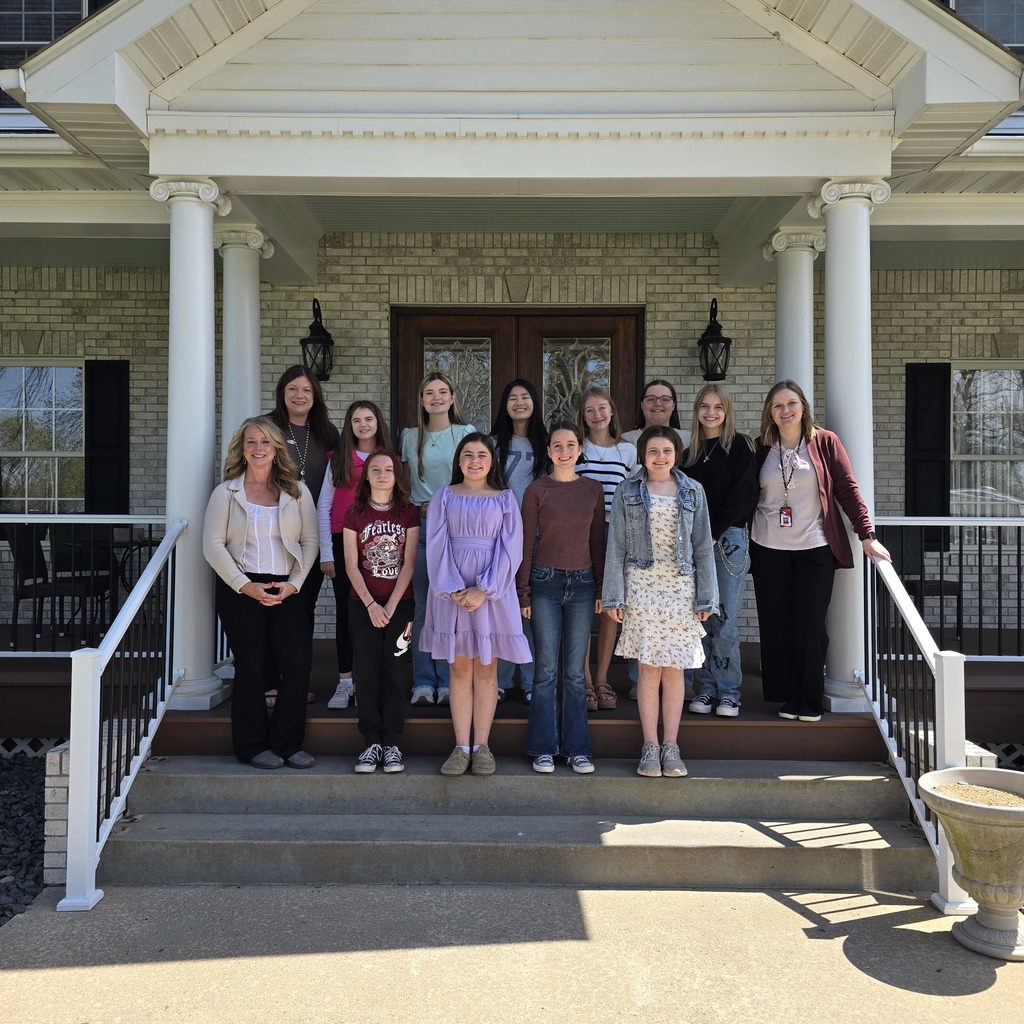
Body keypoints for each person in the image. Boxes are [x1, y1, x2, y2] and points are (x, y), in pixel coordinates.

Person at [749, 380, 891, 723]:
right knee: (777, 624)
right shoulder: (760, 448)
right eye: (778, 405)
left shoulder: (824, 442)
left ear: (803, 407)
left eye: (792, 403)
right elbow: (744, 493)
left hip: (815, 546)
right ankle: (787, 695)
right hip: (768, 547)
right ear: (770, 411)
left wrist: (867, 534)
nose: (785, 410)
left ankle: (809, 698)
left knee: (811, 624)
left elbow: (846, 488)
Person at [203, 416, 318, 770]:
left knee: (296, 667)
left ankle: (287, 743)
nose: (258, 448)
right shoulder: (226, 493)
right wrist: (244, 585)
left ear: (276, 448)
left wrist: (294, 584)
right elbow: (213, 546)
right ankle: (252, 747)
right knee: (251, 668)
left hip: (287, 586)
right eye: (251, 442)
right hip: (242, 588)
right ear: (242, 448)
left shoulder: (297, 490)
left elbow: (310, 541)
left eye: (265, 442)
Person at [603, 426, 718, 779]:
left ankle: (672, 746)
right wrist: (614, 594)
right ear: (643, 454)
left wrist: (706, 596)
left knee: (675, 672)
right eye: (653, 450)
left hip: (681, 589)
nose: (660, 457)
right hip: (642, 587)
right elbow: (616, 547)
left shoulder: (692, 491)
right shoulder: (628, 491)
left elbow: (702, 547)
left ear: (676, 454)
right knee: (649, 670)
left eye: (666, 450)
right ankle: (650, 746)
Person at [421, 433, 531, 776]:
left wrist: (484, 590)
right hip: (450, 591)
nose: (474, 461)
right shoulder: (444, 496)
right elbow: (436, 543)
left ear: (491, 462)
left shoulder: (505, 499)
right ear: (458, 461)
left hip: (492, 593)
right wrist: (455, 587)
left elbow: (512, 548)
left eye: (482, 455)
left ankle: (482, 746)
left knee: (486, 669)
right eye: (467, 454)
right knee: (458, 668)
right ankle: (460, 746)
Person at [518, 421, 605, 775]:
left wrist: (600, 587)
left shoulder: (593, 489)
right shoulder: (536, 490)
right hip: (545, 583)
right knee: (545, 671)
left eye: (571, 444)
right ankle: (542, 748)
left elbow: (597, 541)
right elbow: (525, 544)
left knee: (573, 674)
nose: (564, 451)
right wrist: (523, 590)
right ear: (549, 450)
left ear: (580, 449)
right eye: (557, 445)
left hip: (583, 585)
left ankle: (576, 750)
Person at [400, 371, 477, 707]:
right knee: (421, 606)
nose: (436, 398)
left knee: (451, 605)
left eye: (442, 392)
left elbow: (474, 480)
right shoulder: (409, 436)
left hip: (456, 528)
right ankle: (422, 681)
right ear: (421, 400)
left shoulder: (466, 433)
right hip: (420, 526)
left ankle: (448, 680)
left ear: (453, 397)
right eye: (429, 392)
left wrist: (446, 501)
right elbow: (404, 486)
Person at [682, 385, 758, 718]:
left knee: (723, 618)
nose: (710, 412)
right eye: (704, 406)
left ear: (726, 411)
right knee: (700, 616)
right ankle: (706, 688)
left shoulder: (740, 446)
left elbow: (744, 495)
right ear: (696, 410)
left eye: (717, 407)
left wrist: (712, 534)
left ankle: (728, 691)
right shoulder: (689, 453)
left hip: (728, 540)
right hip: (696, 542)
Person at [266, 365, 340, 707]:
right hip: (271, 532)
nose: (299, 395)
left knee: (302, 609)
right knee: (273, 607)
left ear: (316, 396)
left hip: (313, 533)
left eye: (307, 390)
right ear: (282, 392)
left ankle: (296, 682)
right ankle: (270, 681)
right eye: (293, 389)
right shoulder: (267, 428)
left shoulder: (328, 434)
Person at [343, 451, 419, 774]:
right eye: (376, 469)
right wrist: (372, 605)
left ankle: (392, 744)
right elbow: (351, 565)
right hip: (362, 607)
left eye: (389, 469)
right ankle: (371, 742)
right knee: (368, 673)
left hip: (400, 606)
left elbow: (410, 564)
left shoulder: (410, 513)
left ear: (397, 475)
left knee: (394, 673)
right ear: (367, 475)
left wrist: (389, 606)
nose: (383, 474)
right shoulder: (354, 514)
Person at [318, 400, 392, 710]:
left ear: (378, 423)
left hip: (381, 544)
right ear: (349, 425)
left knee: (378, 613)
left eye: (369, 418)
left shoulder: (392, 460)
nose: (363, 424)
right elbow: (323, 505)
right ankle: (345, 681)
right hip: (341, 542)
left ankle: (370, 682)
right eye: (356, 420)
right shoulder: (337, 459)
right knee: (347, 614)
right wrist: (326, 553)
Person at [576, 386, 637, 711]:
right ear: (583, 417)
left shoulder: (627, 451)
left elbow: (634, 494)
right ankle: (583, 678)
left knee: (611, 605)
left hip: (618, 533)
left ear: (612, 411)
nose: (597, 415)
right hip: (582, 533)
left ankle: (602, 678)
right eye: (590, 410)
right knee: (584, 605)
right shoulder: (578, 448)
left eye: (602, 408)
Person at [491, 378, 547, 704]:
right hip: (497, 538)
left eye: (525, 396)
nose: (519, 402)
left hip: (536, 539)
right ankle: (498, 680)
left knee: (530, 611)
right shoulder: (493, 442)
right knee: (500, 609)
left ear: (534, 402)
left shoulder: (546, 442)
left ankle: (529, 680)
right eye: (512, 397)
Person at [621, 379, 691, 449]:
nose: (658, 404)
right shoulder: (625, 440)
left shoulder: (688, 440)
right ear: (642, 405)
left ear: (673, 406)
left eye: (665, 399)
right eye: (651, 399)